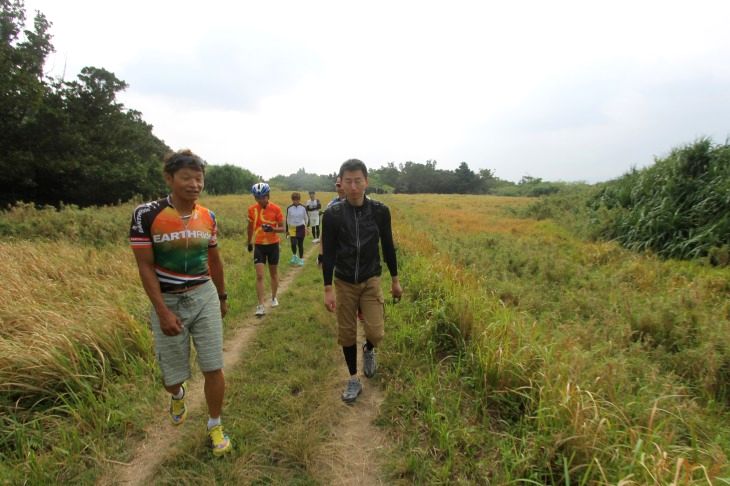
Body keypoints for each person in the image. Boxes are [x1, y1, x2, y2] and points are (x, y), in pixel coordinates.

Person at [129, 149, 232, 456]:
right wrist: (162, 311)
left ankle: (215, 425)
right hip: (168, 300)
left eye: (198, 178)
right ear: (169, 178)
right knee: (171, 378)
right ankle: (178, 394)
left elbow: (214, 259)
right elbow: (145, 266)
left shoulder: (207, 217)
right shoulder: (146, 215)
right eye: (186, 177)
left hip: (203, 295)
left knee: (214, 366)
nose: (194, 184)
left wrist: (222, 296)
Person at [321, 159, 403, 404]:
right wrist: (328, 288)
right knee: (346, 334)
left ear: (366, 181)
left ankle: (369, 349)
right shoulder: (333, 215)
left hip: (370, 279)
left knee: (376, 332)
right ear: (341, 184)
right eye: (348, 181)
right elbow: (330, 253)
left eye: (358, 180)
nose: (354, 186)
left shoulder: (380, 211)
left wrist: (395, 280)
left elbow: (388, 246)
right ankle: (353, 379)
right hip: (344, 281)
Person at [247, 182, 285, 317]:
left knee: (273, 274)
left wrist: (273, 229)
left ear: (268, 196)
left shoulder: (276, 209)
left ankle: (274, 297)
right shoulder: (252, 210)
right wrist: (249, 242)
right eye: (257, 197)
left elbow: (283, 228)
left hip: (273, 245)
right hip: (259, 245)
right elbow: (250, 227)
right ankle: (261, 305)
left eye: (263, 197)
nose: (260, 200)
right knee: (259, 275)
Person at [286, 192, 308, 266]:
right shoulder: (289, 208)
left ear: (299, 199)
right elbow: (287, 219)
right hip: (292, 228)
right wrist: (287, 230)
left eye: (297, 199)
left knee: (300, 244)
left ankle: (301, 259)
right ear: (292, 200)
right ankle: (294, 256)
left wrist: (307, 227)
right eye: (294, 200)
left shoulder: (303, 208)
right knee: (293, 243)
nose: (295, 201)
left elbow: (306, 218)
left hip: (301, 227)